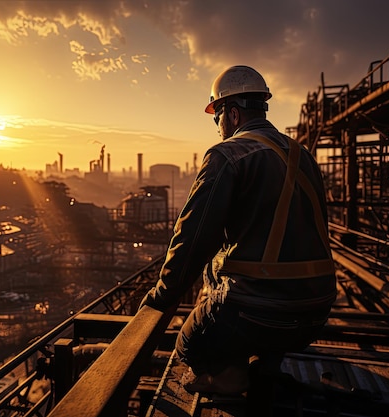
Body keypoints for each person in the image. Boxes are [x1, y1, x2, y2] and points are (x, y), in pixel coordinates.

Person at [139, 65, 336, 395]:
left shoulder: (227, 155)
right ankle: (264, 365)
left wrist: (160, 296)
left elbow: (193, 239)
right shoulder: (304, 156)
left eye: (216, 117)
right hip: (316, 314)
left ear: (231, 114)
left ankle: (230, 377)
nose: (217, 127)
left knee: (188, 344)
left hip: (254, 315)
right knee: (263, 323)